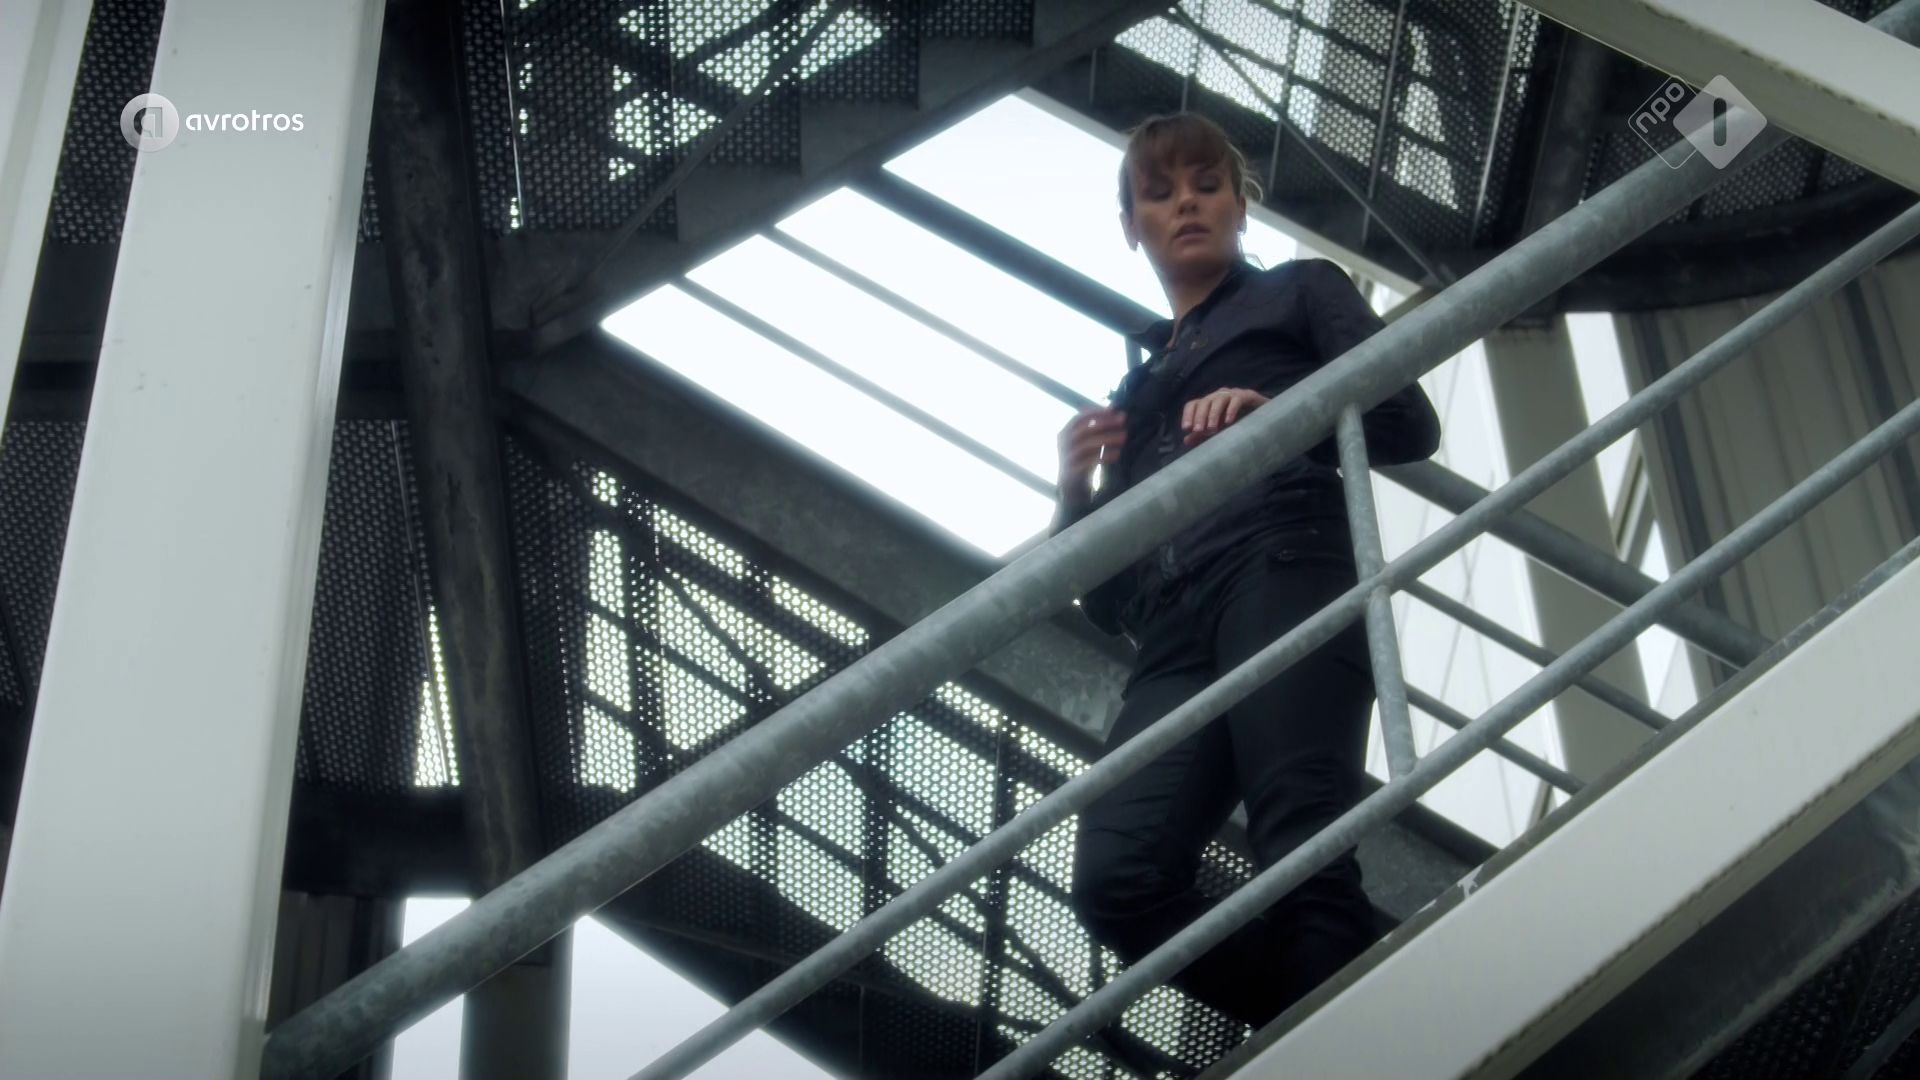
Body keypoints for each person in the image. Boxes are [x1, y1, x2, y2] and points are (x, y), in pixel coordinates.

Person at [1056, 112, 1442, 1029]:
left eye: (1207, 185)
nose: (1186, 204)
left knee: (1301, 845)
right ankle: (1355, 1024)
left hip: (1282, 558)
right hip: (1171, 629)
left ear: (1239, 206)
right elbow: (1103, 596)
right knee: (1116, 876)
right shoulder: (1136, 391)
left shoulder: (1300, 290)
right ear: (1133, 228)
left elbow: (1407, 421)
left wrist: (1279, 409)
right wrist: (1073, 491)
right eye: (1160, 194)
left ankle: (1337, 1041)